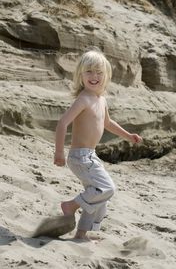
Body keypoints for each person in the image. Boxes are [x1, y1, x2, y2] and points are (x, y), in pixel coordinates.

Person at [54, 48, 142, 241]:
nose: (94, 76)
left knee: (99, 197)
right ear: (80, 75)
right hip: (79, 157)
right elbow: (62, 123)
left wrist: (128, 135)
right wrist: (59, 152)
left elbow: (108, 123)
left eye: (99, 72)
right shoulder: (83, 99)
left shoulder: (101, 99)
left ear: (106, 75)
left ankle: (81, 234)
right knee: (107, 189)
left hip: (91, 155)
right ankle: (70, 206)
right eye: (89, 72)